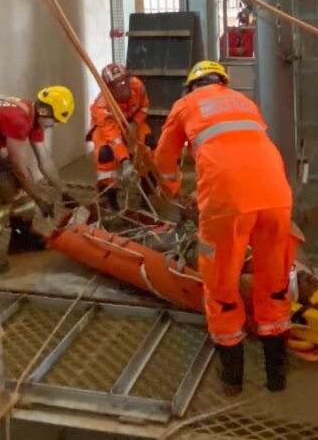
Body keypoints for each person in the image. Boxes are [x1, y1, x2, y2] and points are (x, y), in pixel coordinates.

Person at [154, 60, 296, 395]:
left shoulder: (185, 105)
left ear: (191, 86)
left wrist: (172, 190)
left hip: (226, 202)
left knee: (221, 287)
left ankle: (233, 379)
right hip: (277, 196)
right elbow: (244, 150)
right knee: (274, 282)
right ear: (223, 82)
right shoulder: (245, 102)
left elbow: (164, 156)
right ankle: (277, 377)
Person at [0, 86, 76, 272]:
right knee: (1, 190)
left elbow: (44, 160)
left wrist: (63, 191)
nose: (54, 125)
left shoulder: (32, 117)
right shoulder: (19, 119)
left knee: (20, 181)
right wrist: (39, 198)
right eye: (54, 120)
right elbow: (18, 165)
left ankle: (21, 234)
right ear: (45, 111)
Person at [89, 63, 151, 210]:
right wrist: (125, 161)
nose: (124, 89)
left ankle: (147, 192)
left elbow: (145, 106)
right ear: (108, 89)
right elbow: (113, 137)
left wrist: (136, 123)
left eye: (125, 82)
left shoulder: (137, 85)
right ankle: (109, 197)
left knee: (149, 145)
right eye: (118, 86)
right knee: (105, 153)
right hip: (107, 130)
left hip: (133, 123)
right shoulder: (101, 106)